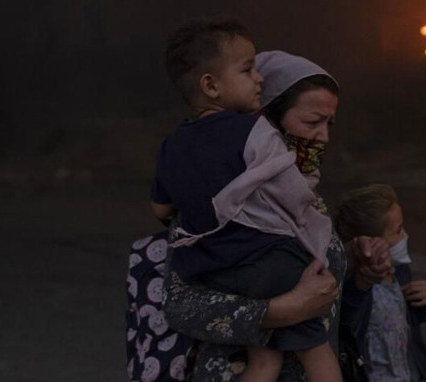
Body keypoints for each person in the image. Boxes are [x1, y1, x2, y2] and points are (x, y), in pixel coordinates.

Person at [159, 48, 392, 382]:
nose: (323, 136)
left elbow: (329, 315)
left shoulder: (308, 204)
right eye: (312, 122)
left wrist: (357, 273)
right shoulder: (220, 201)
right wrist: (278, 311)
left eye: (329, 123)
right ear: (267, 121)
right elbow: (179, 306)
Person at [335, 184, 426, 382]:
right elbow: (347, 325)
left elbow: (409, 323)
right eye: (398, 230)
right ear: (370, 243)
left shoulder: (399, 272)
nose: (405, 236)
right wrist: (361, 284)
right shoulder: (351, 288)